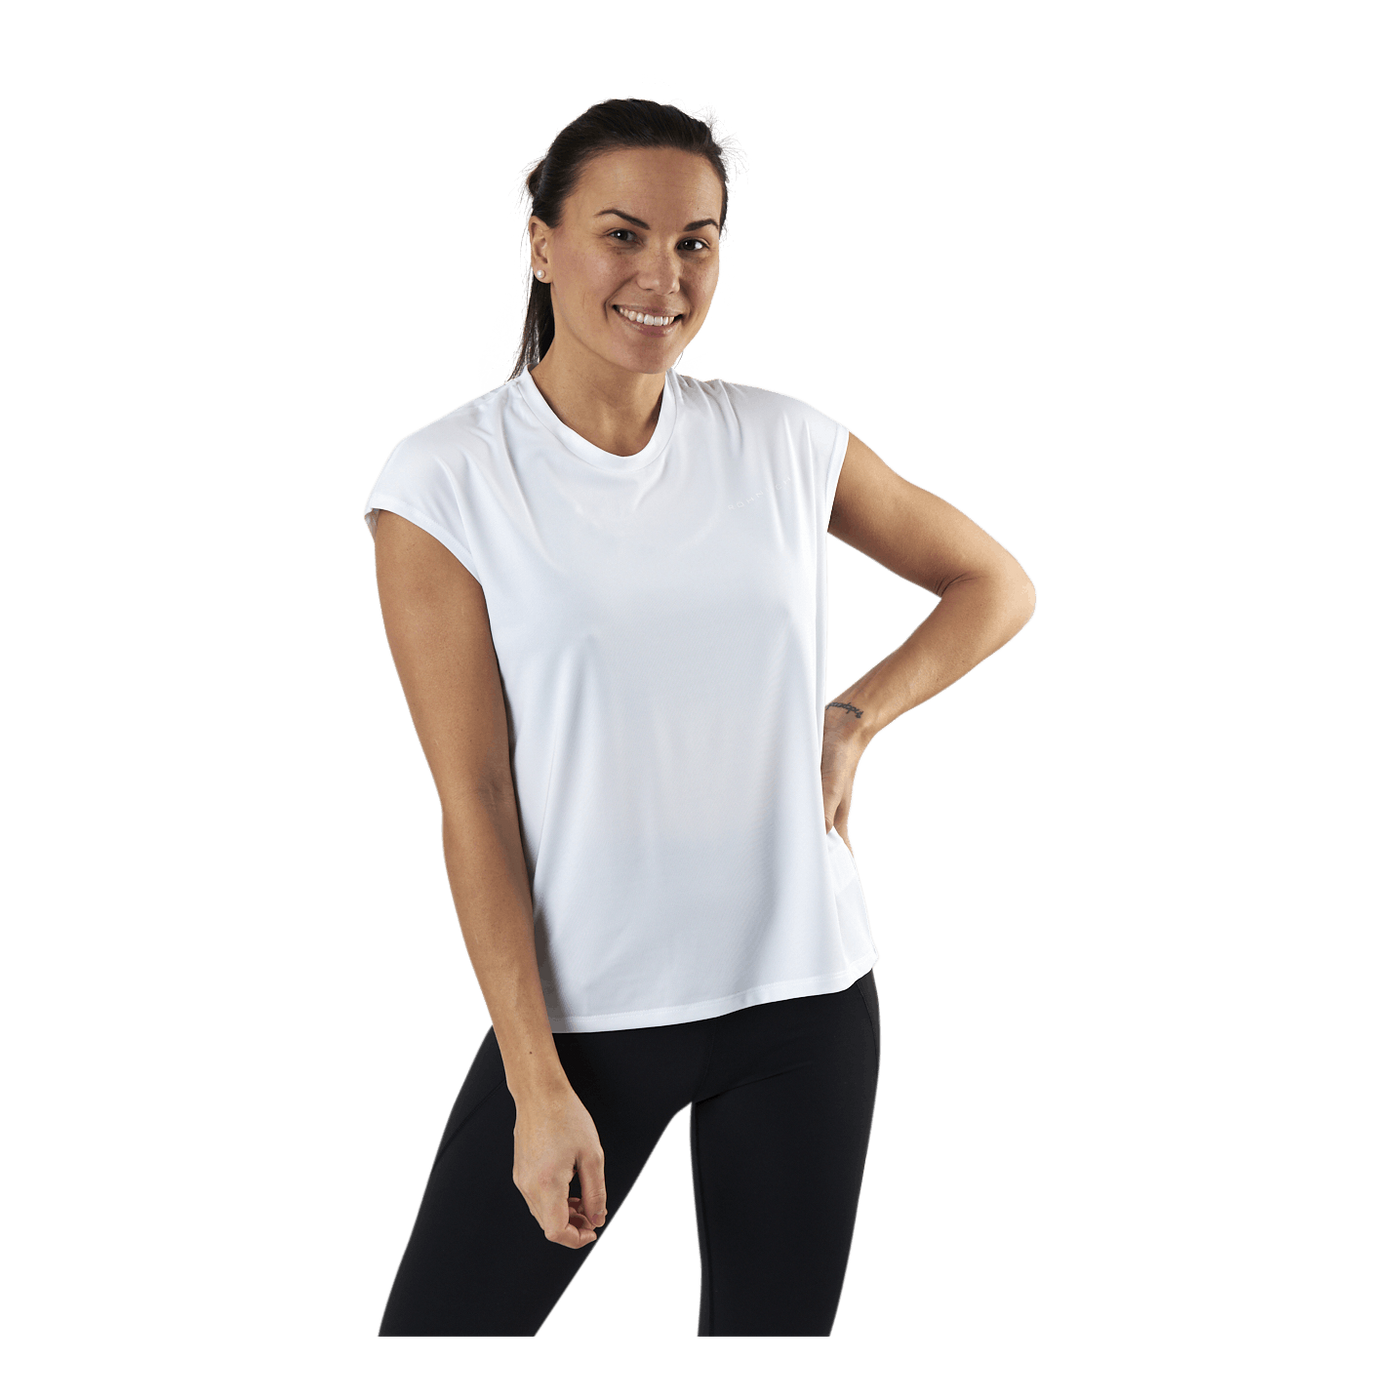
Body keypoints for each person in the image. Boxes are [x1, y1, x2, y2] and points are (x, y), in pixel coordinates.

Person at [361, 96, 1033, 1339]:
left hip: (806, 994)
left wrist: (853, 717)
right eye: (621, 234)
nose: (662, 277)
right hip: (588, 1016)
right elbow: (476, 801)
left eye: (695, 241)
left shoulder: (780, 440)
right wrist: (533, 1080)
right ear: (541, 242)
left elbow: (994, 583)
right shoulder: (443, 482)